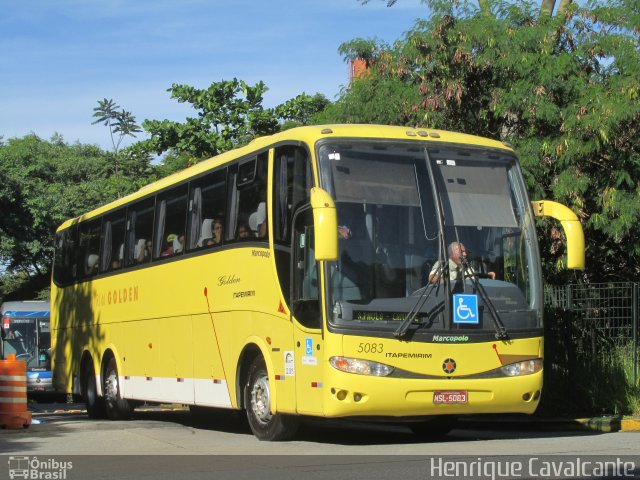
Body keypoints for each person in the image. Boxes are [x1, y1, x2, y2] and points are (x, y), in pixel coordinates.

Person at [428, 241, 495, 284]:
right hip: (447, 301)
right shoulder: (442, 264)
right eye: (462, 252)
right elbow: (432, 277)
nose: (465, 254)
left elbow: (474, 282)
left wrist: (486, 277)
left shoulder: (468, 268)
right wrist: (449, 285)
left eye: (465, 252)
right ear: (452, 254)